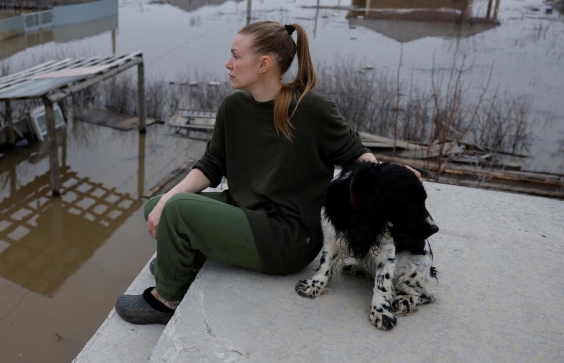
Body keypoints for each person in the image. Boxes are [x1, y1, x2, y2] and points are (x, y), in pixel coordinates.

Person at [115, 20, 420, 325]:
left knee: (177, 211)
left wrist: (391, 175)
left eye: (235, 55)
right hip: (246, 212)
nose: (227, 63)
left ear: (264, 64)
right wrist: (168, 196)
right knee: (158, 206)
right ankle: (181, 262)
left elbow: (359, 156)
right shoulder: (232, 107)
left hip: (287, 238)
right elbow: (211, 165)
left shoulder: (312, 108)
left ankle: (166, 298)